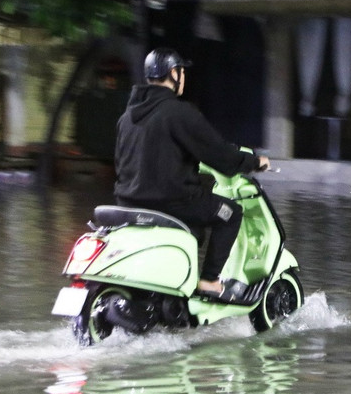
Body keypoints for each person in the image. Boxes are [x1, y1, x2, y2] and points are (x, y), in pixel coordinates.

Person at [114, 47, 270, 301]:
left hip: (128, 202)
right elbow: (219, 155)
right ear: (174, 74)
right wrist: (254, 162)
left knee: (203, 199)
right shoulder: (179, 113)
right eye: (182, 72)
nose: (183, 77)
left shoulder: (127, 117)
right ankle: (209, 281)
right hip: (173, 203)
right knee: (230, 213)